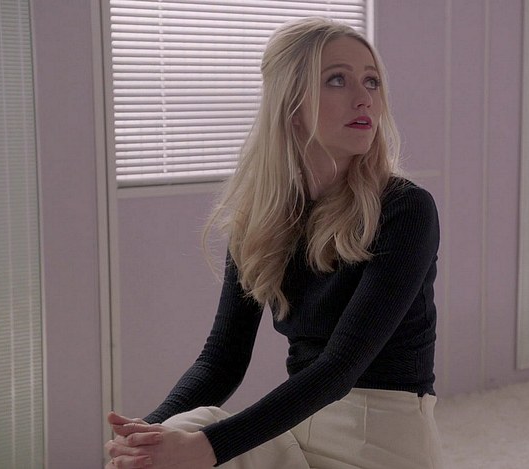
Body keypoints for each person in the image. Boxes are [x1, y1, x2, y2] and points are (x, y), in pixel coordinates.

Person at [103, 16, 443, 469]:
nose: (364, 98)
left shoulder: (405, 209)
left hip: (380, 439)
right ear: (291, 104)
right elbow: (221, 362)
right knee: (180, 431)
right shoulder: (262, 220)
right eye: (337, 80)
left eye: (372, 81)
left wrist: (207, 448)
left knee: (200, 438)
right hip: (297, 424)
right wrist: (147, 434)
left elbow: (340, 367)